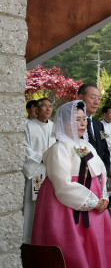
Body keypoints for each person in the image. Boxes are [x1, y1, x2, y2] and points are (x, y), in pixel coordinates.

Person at [31, 100, 111, 268]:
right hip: (67, 208)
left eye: (83, 119)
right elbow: (63, 185)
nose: (82, 123)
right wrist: (94, 202)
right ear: (64, 123)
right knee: (73, 249)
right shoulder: (60, 148)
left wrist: (103, 196)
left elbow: (100, 173)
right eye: (77, 120)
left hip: (94, 206)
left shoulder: (87, 146)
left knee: (94, 245)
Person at [22, 98, 56, 243]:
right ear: (36, 109)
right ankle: (29, 239)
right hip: (35, 170)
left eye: (50, 106)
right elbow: (23, 148)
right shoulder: (28, 127)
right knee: (32, 205)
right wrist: (42, 158)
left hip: (51, 172)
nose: (48, 109)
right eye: (44, 106)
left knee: (50, 205)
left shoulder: (54, 127)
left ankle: (47, 238)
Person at [78, 84, 110, 176]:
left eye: (99, 99)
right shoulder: (71, 124)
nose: (96, 102)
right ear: (80, 97)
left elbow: (105, 150)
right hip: (80, 176)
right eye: (92, 97)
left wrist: (105, 173)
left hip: (99, 175)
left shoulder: (99, 125)